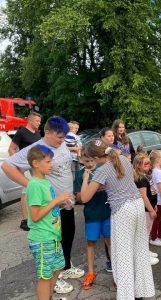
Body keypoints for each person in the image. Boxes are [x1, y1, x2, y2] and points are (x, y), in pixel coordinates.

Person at [1, 116, 84, 294]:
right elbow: (7, 166)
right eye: (59, 137)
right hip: (51, 207)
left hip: (66, 201)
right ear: (47, 133)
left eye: (64, 137)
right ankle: (56, 277)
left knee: (68, 235)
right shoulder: (36, 150)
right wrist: (30, 185)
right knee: (54, 242)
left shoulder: (61, 143)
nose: (62, 141)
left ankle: (66, 266)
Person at [80, 139, 155, 300]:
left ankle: (127, 296)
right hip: (137, 205)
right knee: (139, 249)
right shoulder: (122, 159)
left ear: (94, 157)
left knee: (123, 255)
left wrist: (86, 178)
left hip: (122, 210)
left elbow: (85, 198)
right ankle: (140, 291)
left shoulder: (102, 171)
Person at [25, 144, 73, 300]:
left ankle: (49, 297)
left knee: (58, 267)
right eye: (48, 162)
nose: (52, 165)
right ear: (35, 163)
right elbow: (35, 216)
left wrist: (61, 204)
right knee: (45, 276)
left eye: (51, 161)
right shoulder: (34, 185)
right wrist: (56, 200)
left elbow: (47, 206)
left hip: (53, 236)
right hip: (42, 238)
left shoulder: (45, 181)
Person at [74, 149, 111, 290]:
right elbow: (79, 198)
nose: (89, 164)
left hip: (107, 212)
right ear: (81, 159)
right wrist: (85, 180)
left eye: (91, 161)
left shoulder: (103, 169)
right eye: (86, 161)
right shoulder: (80, 174)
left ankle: (117, 273)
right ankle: (90, 272)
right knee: (91, 242)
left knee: (110, 241)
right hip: (91, 214)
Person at [8, 111, 42, 231]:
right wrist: (17, 166)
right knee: (26, 190)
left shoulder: (37, 134)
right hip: (25, 165)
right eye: (37, 121)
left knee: (37, 188)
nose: (39, 123)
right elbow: (11, 149)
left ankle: (37, 215)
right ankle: (25, 220)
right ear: (30, 120)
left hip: (36, 165)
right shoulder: (22, 132)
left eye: (40, 121)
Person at [133, 153, 159, 265]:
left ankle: (145, 251)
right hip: (145, 210)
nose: (148, 165)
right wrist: (151, 210)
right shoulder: (141, 179)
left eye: (149, 163)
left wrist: (154, 205)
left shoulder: (145, 177)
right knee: (144, 233)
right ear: (138, 165)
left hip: (149, 209)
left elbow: (151, 193)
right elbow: (143, 196)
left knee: (146, 232)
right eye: (145, 163)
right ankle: (143, 257)